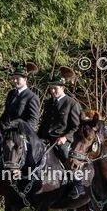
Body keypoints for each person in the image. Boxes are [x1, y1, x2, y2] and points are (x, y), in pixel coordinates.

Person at [37, 69, 84, 198]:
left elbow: (77, 126)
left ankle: (77, 184)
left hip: (63, 140)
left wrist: (65, 137)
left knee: (66, 154)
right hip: (46, 138)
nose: (52, 91)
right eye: (51, 88)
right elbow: (44, 123)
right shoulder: (48, 103)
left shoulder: (72, 103)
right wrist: (37, 137)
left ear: (62, 87)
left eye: (55, 88)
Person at [0, 63, 40, 134]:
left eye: (17, 78)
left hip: (19, 133)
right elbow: (5, 114)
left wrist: (22, 132)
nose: (15, 81)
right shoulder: (11, 93)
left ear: (25, 79)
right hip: (4, 129)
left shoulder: (32, 97)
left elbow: (33, 120)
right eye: (13, 78)